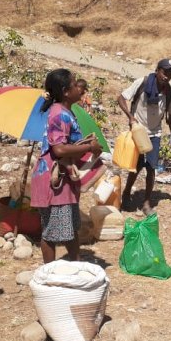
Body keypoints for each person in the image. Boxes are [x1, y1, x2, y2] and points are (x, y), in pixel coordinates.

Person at [31, 69, 101, 263]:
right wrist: (90, 146)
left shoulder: (66, 112)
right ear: (65, 91)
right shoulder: (58, 114)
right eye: (74, 85)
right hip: (54, 180)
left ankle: (76, 264)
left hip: (63, 178)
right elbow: (59, 149)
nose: (79, 88)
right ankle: (50, 274)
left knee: (69, 227)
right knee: (51, 232)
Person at [118, 59, 171, 215]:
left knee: (152, 168)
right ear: (157, 70)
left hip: (155, 133)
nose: (167, 77)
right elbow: (121, 98)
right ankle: (126, 195)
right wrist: (130, 117)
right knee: (135, 166)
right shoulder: (143, 82)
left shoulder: (169, 92)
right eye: (165, 72)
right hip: (138, 131)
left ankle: (146, 203)